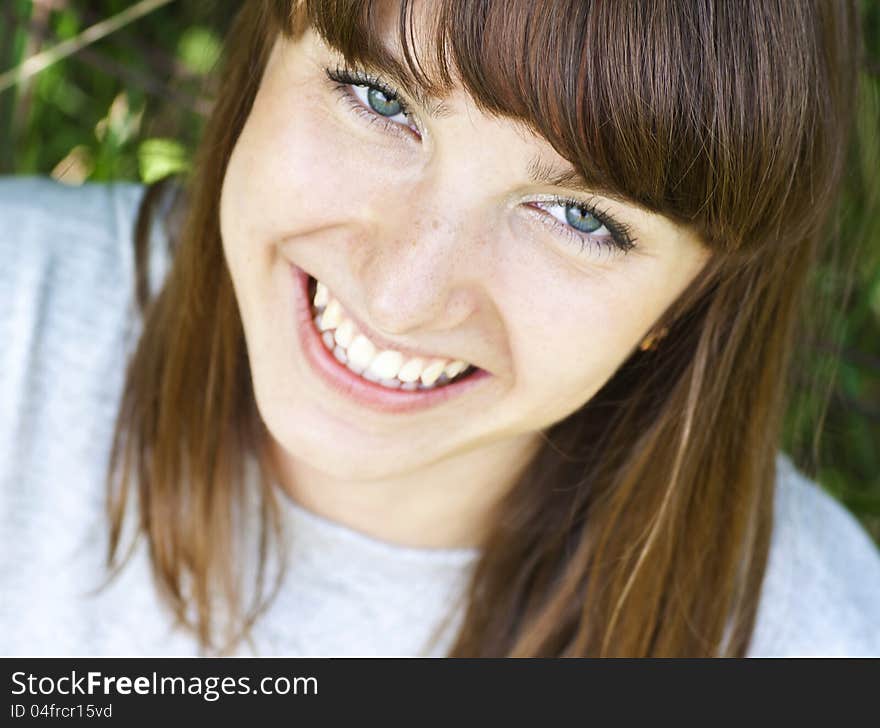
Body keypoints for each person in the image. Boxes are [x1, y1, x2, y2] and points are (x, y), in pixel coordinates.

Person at [1, 0, 878, 657]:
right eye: (379, 99)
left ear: (689, 297)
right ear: (268, 40)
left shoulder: (814, 637)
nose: (403, 294)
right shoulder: (18, 305)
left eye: (578, 217)